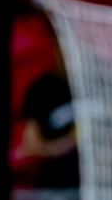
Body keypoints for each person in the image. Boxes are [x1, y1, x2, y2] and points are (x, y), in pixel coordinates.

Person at [21, 23, 78, 188]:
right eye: (61, 43)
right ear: (54, 46)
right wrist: (71, 142)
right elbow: (31, 146)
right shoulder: (41, 90)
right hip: (57, 181)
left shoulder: (101, 85)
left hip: (99, 182)